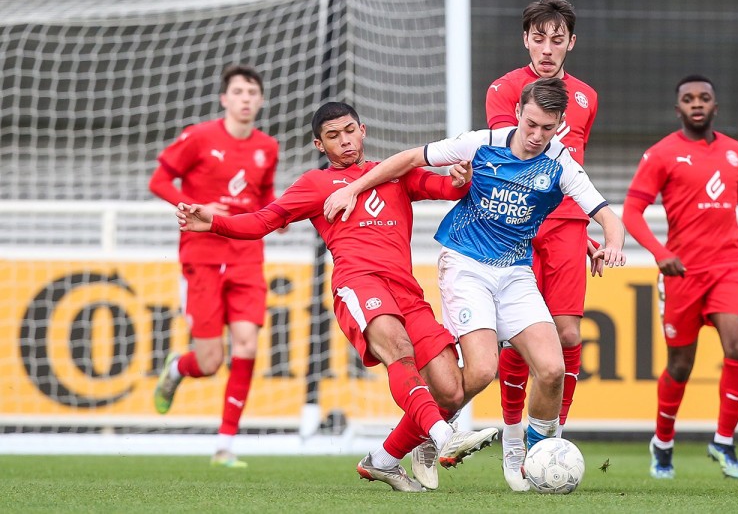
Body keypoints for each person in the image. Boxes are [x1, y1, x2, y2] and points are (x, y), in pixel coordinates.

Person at [177, 101, 498, 491]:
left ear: (362, 130)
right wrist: (213, 222)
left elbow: (446, 188)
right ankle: (445, 438)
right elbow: (265, 220)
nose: (344, 141)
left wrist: (460, 177)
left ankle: (382, 460)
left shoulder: (395, 174)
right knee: (397, 348)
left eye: (349, 131)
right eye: (333, 136)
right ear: (319, 144)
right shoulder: (315, 185)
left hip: (406, 290)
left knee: (450, 389)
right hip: (358, 283)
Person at [323, 77, 626, 489]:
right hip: (465, 263)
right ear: (518, 113)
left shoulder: (562, 164)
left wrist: (612, 243)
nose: (537, 136)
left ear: (560, 126)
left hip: (515, 271)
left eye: (547, 128)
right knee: (483, 371)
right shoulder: (481, 142)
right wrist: (354, 188)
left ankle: (528, 454)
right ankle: (426, 434)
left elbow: (607, 214)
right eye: (531, 124)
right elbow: (411, 158)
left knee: (553, 368)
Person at [622, 75, 738, 480]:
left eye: (704, 97)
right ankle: (662, 441)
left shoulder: (736, 153)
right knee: (680, 365)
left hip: (728, 267)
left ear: (715, 107)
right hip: (682, 274)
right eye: (688, 99)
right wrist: (661, 254)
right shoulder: (661, 154)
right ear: (678, 109)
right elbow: (631, 212)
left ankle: (724, 441)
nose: (697, 103)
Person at [484, 0, 601, 491]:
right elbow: (507, 163)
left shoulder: (587, 97)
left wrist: (587, 225)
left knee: (569, 336)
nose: (548, 48)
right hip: (520, 224)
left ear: (571, 43)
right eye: (539, 38)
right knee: (521, 339)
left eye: (558, 40)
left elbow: (572, 169)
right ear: (525, 39)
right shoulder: (503, 90)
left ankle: (548, 439)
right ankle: (514, 445)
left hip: (569, 225)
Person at [149, 64, 282, 468]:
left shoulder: (268, 147)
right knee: (209, 362)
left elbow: (266, 197)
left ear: (260, 100)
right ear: (224, 98)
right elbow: (158, 181)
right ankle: (177, 368)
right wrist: (191, 207)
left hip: (246, 257)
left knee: (247, 345)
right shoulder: (199, 137)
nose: (245, 98)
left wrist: (275, 220)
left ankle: (225, 445)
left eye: (252, 92)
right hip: (202, 257)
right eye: (238, 91)